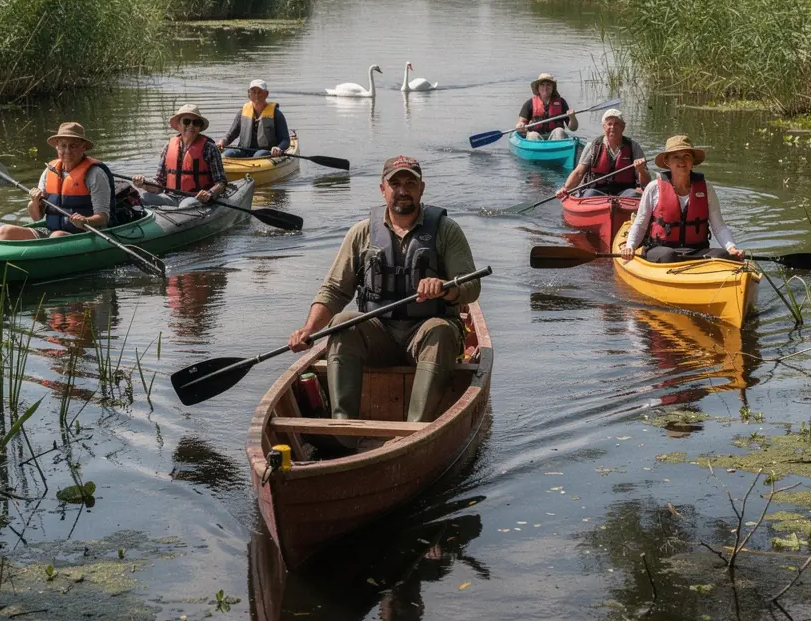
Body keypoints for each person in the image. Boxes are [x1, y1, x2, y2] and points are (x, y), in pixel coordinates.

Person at [288, 155, 481, 426]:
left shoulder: (446, 231)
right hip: (379, 334)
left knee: (441, 330)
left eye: (410, 184)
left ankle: (417, 431)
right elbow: (334, 290)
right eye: (395, 184)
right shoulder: (362, 232)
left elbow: (471, 288)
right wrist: (309, 330)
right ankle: (343, 429)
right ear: (383, 189)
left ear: (421, 188)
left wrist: (445, 288)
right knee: (342, 323)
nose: (403, 190)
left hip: (426, 334)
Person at [621, 135, 745, 263]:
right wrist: (630, 246)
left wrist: (731, 248)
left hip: (696, 251)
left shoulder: (706, 188)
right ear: (667, 162)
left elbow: (719, 227)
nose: (682, 161)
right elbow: (640, 225)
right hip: (660, 250)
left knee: (723, 255)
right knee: (668, 255)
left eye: (687, 156)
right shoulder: (653, 188)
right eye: (676, 156)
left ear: (693, 162)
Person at [0, 122, 116, 240]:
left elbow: (103, 218)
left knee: (56, 236)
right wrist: (34, 202)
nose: (67, 151)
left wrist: (85, 221)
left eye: (73, 146)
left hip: (84, 234)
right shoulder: (49, 171)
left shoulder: (95, 174)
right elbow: (37, 217)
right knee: (4, 231)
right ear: (57, 146)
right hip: (50, 231)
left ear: (83, 147)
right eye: (63, 146)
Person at [131, 104, 226, 208]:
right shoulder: (168, 146)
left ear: (199, 127)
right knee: (143, 198)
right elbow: (159, 184)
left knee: (187, 206)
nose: (191, 126)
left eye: (196, 123)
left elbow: (221, 182)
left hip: (194, 199)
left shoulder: (210, 148)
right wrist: (143, 183)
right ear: (178, 125)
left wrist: (210, 193)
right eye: (186, 121)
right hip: (171, 197)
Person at [556, 108, 650, 199]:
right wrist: (565, 189)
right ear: (604, 127)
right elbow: (579, 173)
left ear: (623, 127)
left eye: (616, 124)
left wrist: (641, 170)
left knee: (633, 194)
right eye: (609, 124)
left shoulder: (634, 147)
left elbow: (645, 184)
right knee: (589, 194)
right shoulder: (592, 146)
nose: (612, 127)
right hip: (596, 191)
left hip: (625, 192)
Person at [219, 79, 291, 158]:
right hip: (244, 150)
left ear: (266, 94)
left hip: (266, 151)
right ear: (249, 94)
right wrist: (222, 142)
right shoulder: (242, 112)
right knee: (226, 155)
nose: (257, 95)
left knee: (258, 155)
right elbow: (231, 134)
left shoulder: (276, 114)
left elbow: (285, 140)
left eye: (260, 92)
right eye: (253, 92)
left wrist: (278, 148)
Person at [516, 73, 577, 140]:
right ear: (538, 88)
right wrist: (520, 125)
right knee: (532, 135)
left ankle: (558, 149)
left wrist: (572, 118)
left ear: (553, 88)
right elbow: (521, 122)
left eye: (548, 85)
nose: (545, 88)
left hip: (555, 138)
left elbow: (573, 128)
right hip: (536, 137)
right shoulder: (529, 103)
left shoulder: (561, 102)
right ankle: (537, 149)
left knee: (559, 131)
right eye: (542, 85)